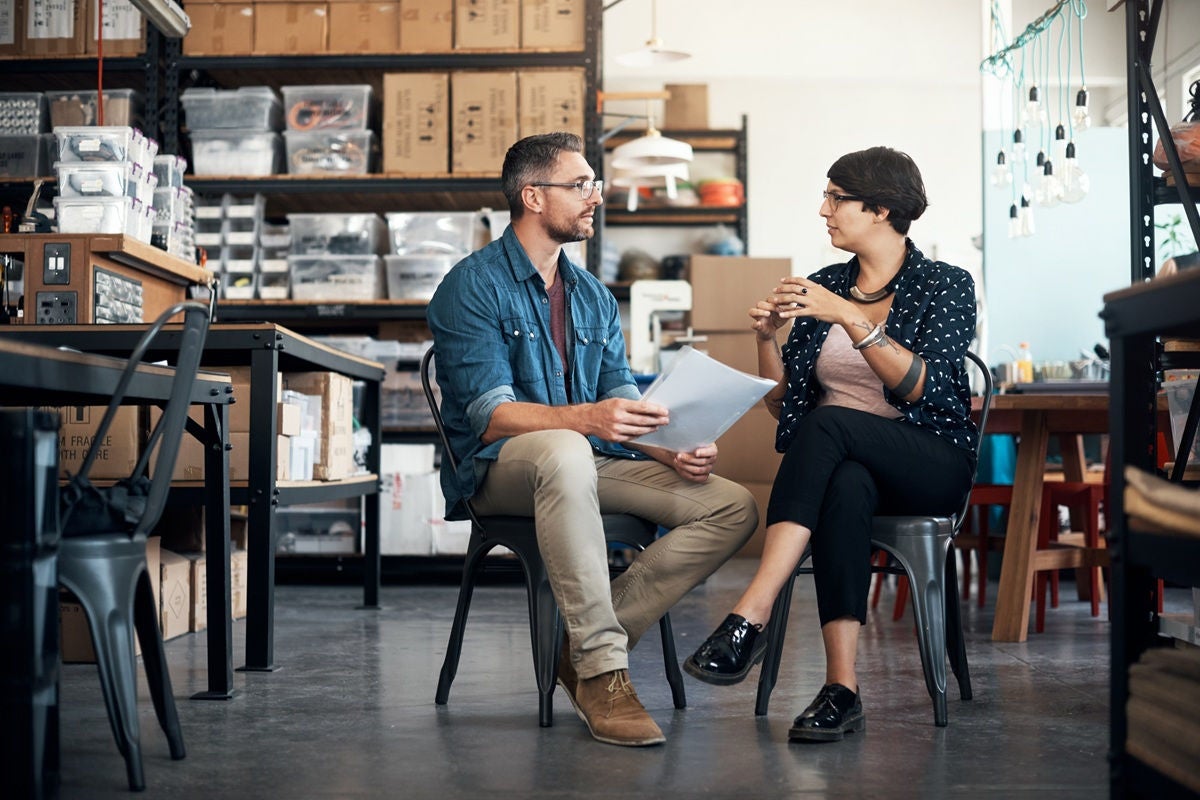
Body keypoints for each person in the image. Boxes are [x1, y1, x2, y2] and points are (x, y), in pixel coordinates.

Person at [426, 132, 758, 748]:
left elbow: (619, 403)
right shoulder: (472, 285)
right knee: (564, 447)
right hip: (502, 470)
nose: (595, 198)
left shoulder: (593, 297)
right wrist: (588, 421)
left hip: (584, 460)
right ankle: (605, 672)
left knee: (731, 505)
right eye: (580, 185)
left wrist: (670, 446)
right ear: (532, 195)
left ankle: (577, 652)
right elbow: (492, 417)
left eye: (595, 184)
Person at [682, 146, 978, 743]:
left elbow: (922, 388)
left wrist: (846, 314)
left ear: (882, 209)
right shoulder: (823, 286)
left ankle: (752, 612)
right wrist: (765, 339)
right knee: (842, 480)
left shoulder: (945, 284)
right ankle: (842, 688)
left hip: (929, 458)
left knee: (828, 425)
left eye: (836, 198)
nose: (824, 210)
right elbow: (783, 404)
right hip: (847, 465)